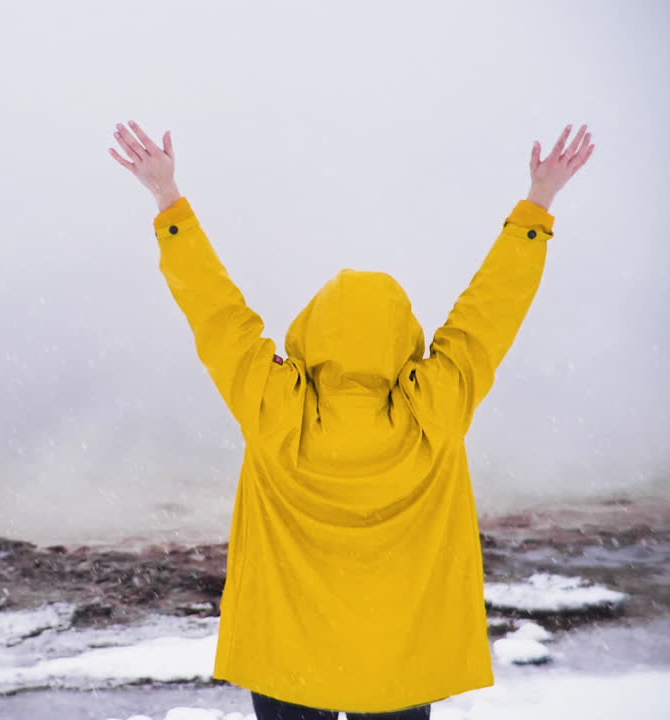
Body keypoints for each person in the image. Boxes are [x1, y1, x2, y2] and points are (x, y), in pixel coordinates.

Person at [108, 120, 595, 718]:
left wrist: (168, 200)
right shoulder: (435, 407)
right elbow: (490, 313)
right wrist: (537, 204)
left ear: (312, 331)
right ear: (403, 337)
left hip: (287, 660)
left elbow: (216, 312)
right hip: (398, 663)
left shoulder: (272, 403)